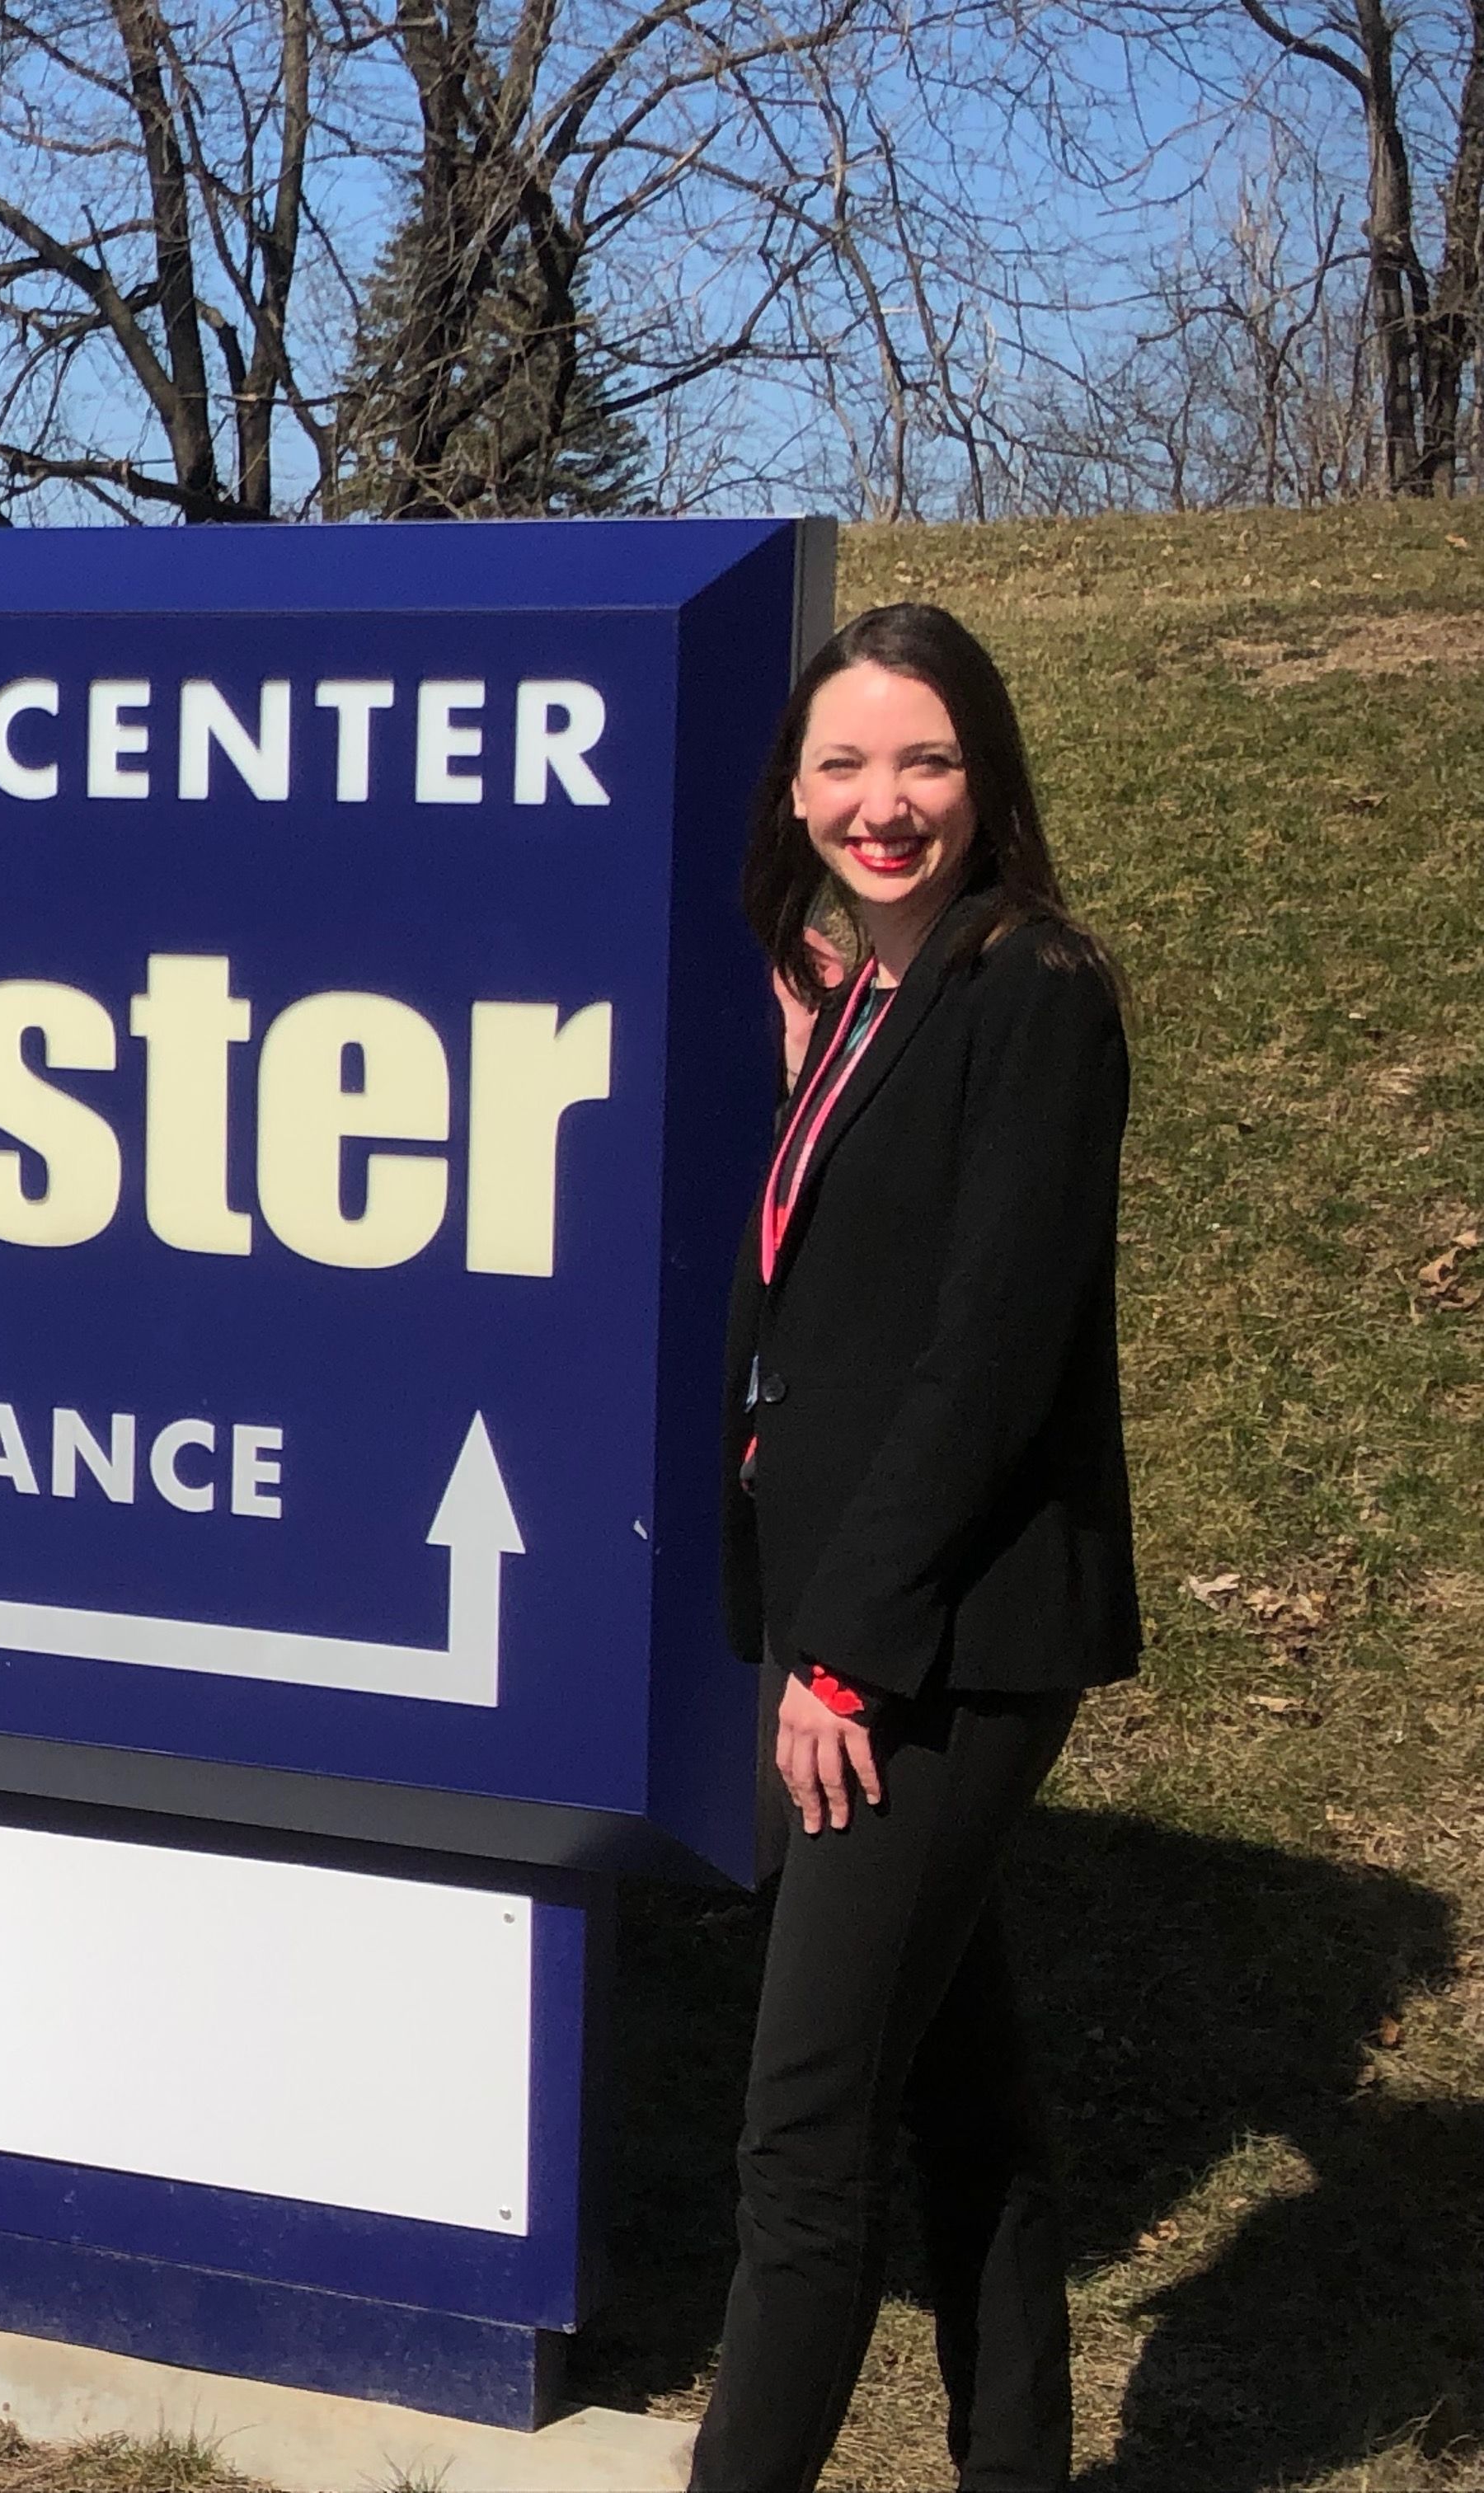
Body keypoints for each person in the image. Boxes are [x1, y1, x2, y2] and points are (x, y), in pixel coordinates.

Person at [697, 603, 1139, 2491]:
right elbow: (837, 1301)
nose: (886, 803)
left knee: (803, 2147)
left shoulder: (1032, 986)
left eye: (928, 761)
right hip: (858, 1626)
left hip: (932, 1654)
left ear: (990, 775)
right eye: (846, 766)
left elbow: (992, 1354)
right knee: (970, 2122)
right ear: (794, 793)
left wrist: (850, 1651)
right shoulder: (873, 992)